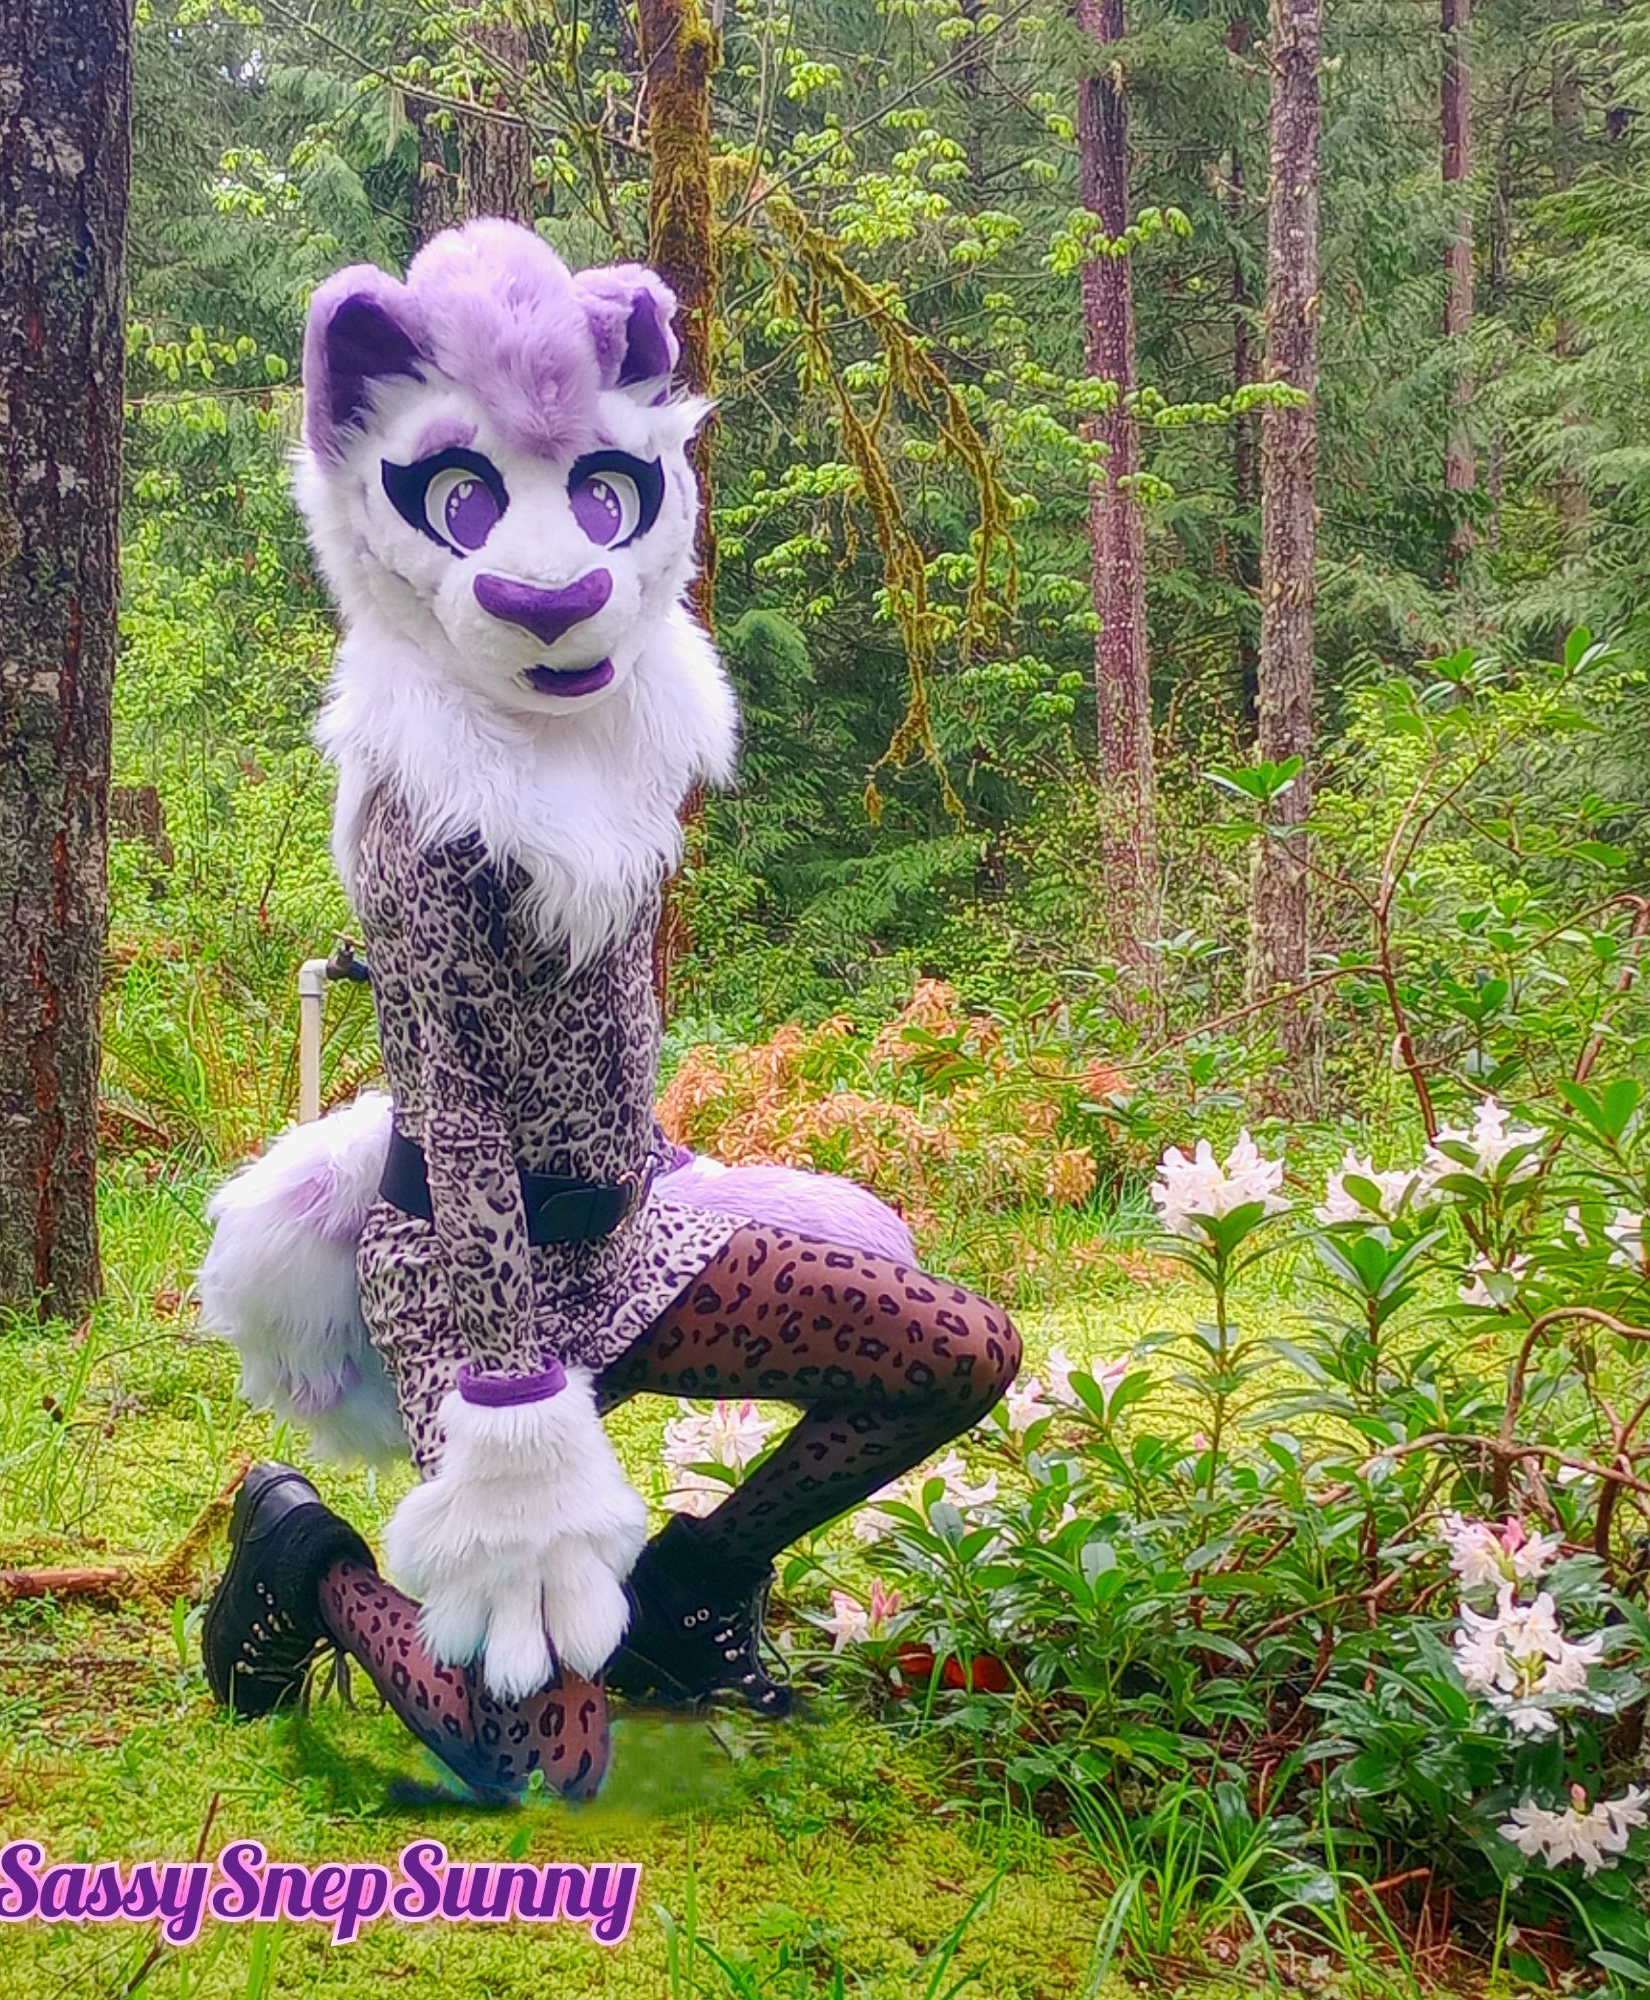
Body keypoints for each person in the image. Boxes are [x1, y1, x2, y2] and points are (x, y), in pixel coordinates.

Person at [198, 221, 1020, 1802]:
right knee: (534, 1769)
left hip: (631, 1230)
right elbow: (463, 1111)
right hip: (469, 1279)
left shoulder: (634, 729)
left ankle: (692, 1597)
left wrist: (679, 1182)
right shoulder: (416, 808)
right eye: (464, 497)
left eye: (594, 494)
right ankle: (301, 1554)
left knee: (957, 1353)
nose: (553, 566)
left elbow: (603, 1036)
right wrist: (518, 1426)